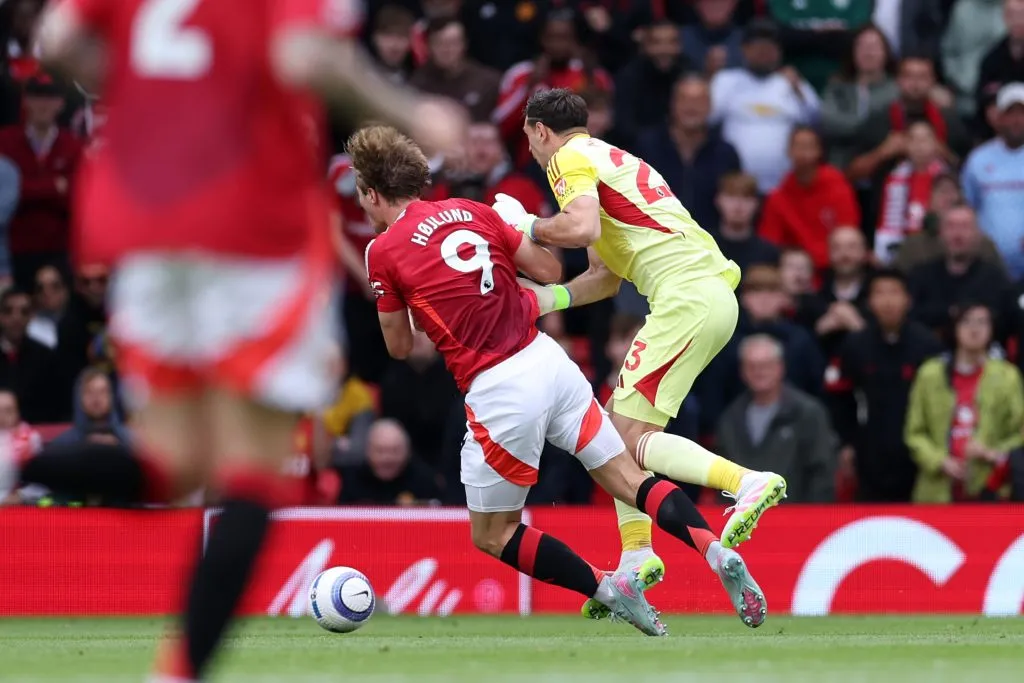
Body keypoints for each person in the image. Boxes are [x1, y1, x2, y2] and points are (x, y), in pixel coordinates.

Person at [16, 1, 465, 681]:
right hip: (255, 229)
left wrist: (153, 92)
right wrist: (414, 115)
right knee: (249, 475)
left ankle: (13, 460)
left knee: (173, 465)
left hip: (147, 219)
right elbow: (308, 58)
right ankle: (180, 671)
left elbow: (56, 40)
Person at [351, 124, 768, 634]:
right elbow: (548, 271)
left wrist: (415, 295)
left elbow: (398, 346)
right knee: (629, 479)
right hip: (549, 361)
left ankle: (606, 588)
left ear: (372, 193)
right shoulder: (474, 211)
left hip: (498, 388)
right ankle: (713, 548)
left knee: (493, 534)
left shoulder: (383, 251)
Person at [494, 88, 786, 572]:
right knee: (611, 431)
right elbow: (603, 277)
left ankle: (744, 482)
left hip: (687, 296)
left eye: (529, 139)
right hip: (703, 295)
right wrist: (545, 300)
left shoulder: (567, 159)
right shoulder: (608, 158)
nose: (531, 150)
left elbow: (580, 229)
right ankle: (636, 556)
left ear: (542, 131)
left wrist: (525, 227)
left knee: (623, 437)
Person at [827, 270, 943, 502]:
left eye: (894, 293)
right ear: (870, 301)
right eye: (879, 293)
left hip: (917, 452)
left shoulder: (928, 344)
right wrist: (847, 443)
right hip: (870, 449)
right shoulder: (856, 345)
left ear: (907, 299)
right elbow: (840, 397)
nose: (888, 301)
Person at [905, 303, 1024, 502]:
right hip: (936, 491)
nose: (974, 329)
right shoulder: (930, 374)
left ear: (992, 329)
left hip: (990, 489)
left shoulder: (1007, 376)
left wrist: (992, 453)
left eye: (982, 322)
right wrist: (939, 461)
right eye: (966, 321)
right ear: (954, 328)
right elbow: (914, 432)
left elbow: (1019, 432)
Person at [716, 335, 837, 503]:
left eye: (765, 365)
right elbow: (722, 477)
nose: (759, 372)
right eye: (751, 366)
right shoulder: (730, 417)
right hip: (742, 521)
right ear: (742, 371)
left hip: (797, 518)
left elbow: (821, 473)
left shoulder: (808, 413)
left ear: (780, 367)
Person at [710, 19, 819, 193]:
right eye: (757, 47)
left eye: (769, 48)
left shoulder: (790, 82)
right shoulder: (725, 80)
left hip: (782, 188)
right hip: (736, 189)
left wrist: (798, 89)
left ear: (779, 52)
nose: (763, 53)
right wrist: (709, 76)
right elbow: (707, 118)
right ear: (744, 49)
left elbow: (815, 120)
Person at [493, 10, 612, 166]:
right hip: (533, 165)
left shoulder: (592, 75)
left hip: (585, 163)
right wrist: (528, 88)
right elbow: (500, 124)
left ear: (574, 40)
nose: (557, 45)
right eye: (552, 38)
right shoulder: (522, 74)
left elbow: (607, 122)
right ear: (542, 39)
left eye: (564, 38)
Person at [0, 72, 82, 288]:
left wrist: (22, 188)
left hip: (59, 250)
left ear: (61, 103)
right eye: (37, 97)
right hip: (11, 252)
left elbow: (77, 197)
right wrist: (54, 187)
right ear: (26, 101)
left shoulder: (72, 145)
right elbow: (5, 198)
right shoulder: (5, 142)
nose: (43, 104)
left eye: (50, 97)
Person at [633, 75, 742, 231]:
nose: (691, 107)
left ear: (710, 106)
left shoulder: (726, 153)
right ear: (672, 104)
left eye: (699, 101)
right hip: (655, 240)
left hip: (710, 244)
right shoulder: (647, 146)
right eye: (684, 99)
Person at [908, 204, 1016, 345]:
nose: (957, 235)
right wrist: (951, 312)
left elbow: (1004, 322)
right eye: (951, 226)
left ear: (978, 234)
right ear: (940, 233)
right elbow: (911, 318)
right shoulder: (920, 275)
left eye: (965, 227)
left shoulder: (995, 278)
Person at [758, 126, 860, 271]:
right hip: (796, 269)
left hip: (834, 267)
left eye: (809, 146)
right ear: (788, 151)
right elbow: (770, 243)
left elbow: (848, 233)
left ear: (819, 151)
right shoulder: (778, 197)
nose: (804, 153)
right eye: (798, 146)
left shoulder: (837, 185)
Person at [962, 82, 1024, 280]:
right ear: (999, 117)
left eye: (1022, 113)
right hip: (989, 265)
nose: (1017, 120)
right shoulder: (978, 160)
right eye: (1010, 114)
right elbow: (967, 207)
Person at [820, 24, 899, 170]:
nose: (868, 52)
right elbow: (830, 122)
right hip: (843, 166)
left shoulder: (897, 90)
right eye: (862, 46)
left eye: (874, 47)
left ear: (885, 52)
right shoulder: (837, 87)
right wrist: (872, 128)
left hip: (885, 169)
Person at [874, 120, 950, 264]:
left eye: (925, 139)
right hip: (904, 249)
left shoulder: (947, 178)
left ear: (936, 144)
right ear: (906, 145)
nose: (919, 145)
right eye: (913, 139)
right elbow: (886, 224)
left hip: (937, 249)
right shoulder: (894, 179)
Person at [795, 227, 870, 361]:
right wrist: (818, 330)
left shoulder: (876, 291)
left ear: (864, 252)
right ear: (829, 252)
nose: (844, 254)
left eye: (852, 247)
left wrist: (858, 327)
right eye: (837, 248)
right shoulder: (812, 293)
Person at [767, 0, 874, 94]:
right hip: (791, 85)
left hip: (847, 85)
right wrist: (826, 36)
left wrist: (808, 35)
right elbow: (777, 35)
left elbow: (861, 37)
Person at [408, 17, 500, 122]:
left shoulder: (488, 83)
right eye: (439, 43)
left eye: (453, 42)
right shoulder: (417, 84)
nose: (446, 49)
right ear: (429, 46)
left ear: (464, 44)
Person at [613, 19, 686, 147]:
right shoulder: (629, 77)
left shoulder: (687, 74)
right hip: (639, 153)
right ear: (645, 45)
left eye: (671, 42)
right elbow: (625, 128)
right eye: (657, 43)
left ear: (679, 46)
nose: (664, 50)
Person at [338, 418, 443, 505]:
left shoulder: (425, 482)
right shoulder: (351, 481)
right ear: (368, 451)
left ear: (408, 452)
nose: (387, 458)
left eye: (395, 451)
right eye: (380, 451)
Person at [0, 286, 67, 423]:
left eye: (24, 312)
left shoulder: (46, 357)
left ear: (32, 316)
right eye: (8, 311)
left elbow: (55, 405)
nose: (16, 317)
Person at [941, 0, 1008, 120]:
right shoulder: (962, 9)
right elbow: (948, 53)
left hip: (1005, 97)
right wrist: (958, 80)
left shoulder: (1013, 7)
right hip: (965, 93)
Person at [713, 172, 780, 273]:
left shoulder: (769, 253)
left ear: (756, 203)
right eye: (731, 196)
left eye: (746, 197)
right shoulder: (705, 247)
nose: (738, 204)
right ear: (718, 200)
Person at [51, 366, 131, 446]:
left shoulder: (131, 444)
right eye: (89, 392)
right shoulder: (62, 445)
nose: (96, 398)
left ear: (111, 397)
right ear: (79, 398)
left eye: (102, 392)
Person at [976, 0, 1024, 132]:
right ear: (1004, 17)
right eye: (1012, 15)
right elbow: (984, 97)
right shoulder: (992, 58)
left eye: (1022, 15)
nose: (1018, 21)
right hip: (1000, 132)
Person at [681, 0, 745, 77]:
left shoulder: (747, 40)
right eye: (708, 1)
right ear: (696, 5)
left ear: (733, 3)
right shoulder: (679, 38)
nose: (715, 6)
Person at [27, 263, 68, 349]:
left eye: (55, 286)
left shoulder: (79, 322)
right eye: (40, 288)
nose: (47, 293)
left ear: (65, 291)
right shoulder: (28, 330)